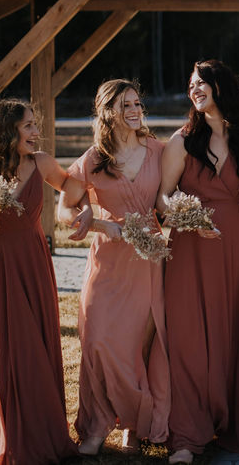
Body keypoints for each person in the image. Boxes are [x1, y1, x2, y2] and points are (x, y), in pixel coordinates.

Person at [0, 99, 89, 464]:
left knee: (40, 345)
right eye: (28, 126)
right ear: (6, 129)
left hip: (33, 262)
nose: (35, 132)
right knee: (10, 350)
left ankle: (50, 432)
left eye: (34, 126)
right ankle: (18, 435)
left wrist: (83, 207)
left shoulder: (39, 162)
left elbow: (73, 189)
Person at [157, 59, 239, 463]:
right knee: (189, 337)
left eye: (201, 83)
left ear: (220, 87)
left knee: (234, 328)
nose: (194, 90)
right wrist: (186, 217)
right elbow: (162, 200)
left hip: (232, 244)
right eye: (190, 85)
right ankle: (187, 435)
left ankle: (234, 422)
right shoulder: (181, 141)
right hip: (190, 247)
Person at [57, 79, 169, 455]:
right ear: (108, 112)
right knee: (100, 341)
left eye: (137, 103)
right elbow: (63, 209)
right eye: (125, 105)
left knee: (139, 344)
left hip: (148, 259)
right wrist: (98, 220)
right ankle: (95, 425)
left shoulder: (158, 150)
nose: (135, 110)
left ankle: (134, 428)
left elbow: (169, 198)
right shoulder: (93, 159)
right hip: (107, 259)